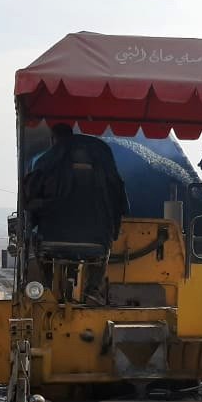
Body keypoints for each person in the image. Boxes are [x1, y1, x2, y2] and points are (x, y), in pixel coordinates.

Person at [25, 123, 128, 304]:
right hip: (95, 242)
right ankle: (92, 289)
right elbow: (119, 201)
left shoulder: (45, 163)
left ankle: (48, 287)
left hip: (52, 240)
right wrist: (113, 230)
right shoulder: (102, 166)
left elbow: (31, 200)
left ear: (53, 140)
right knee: (104, 252)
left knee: (38, 246)